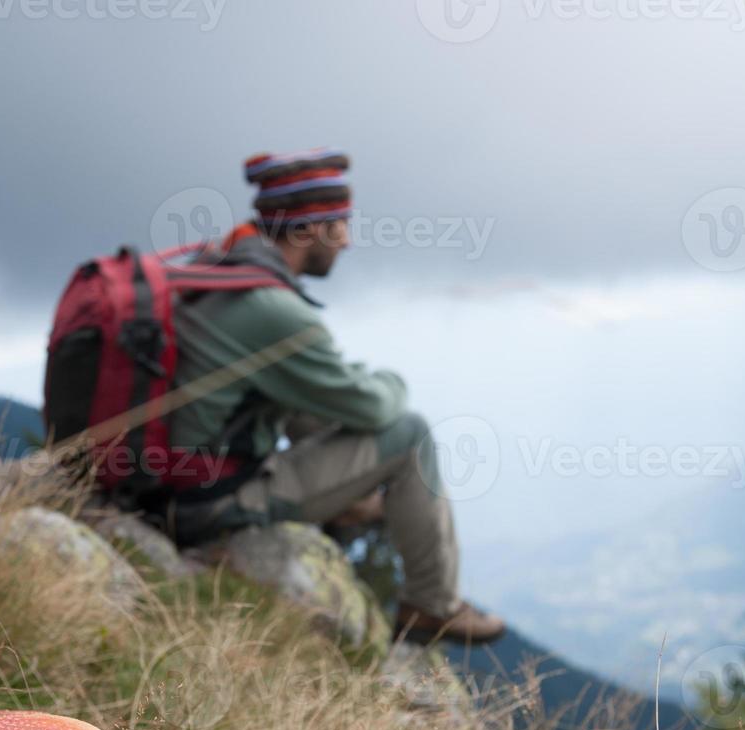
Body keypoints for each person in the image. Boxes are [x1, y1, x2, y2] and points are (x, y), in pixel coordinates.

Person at [160, 148, 506, 644]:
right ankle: (432, 605)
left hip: (166, 480)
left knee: (312, 404)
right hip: (205, 503)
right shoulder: (271, 309)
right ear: (305, 230)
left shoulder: (217, 267)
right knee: (409, 433)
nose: (347, 240)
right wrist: (392, 379)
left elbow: (306, 398)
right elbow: (374, 406)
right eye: (339, 225)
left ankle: (352, 506)